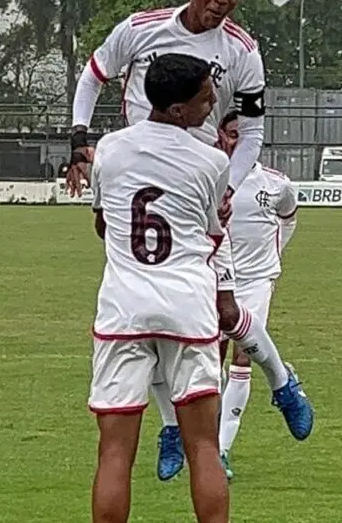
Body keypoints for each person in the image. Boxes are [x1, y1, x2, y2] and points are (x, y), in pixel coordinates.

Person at [67, 0, 314, 482]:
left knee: (222, 311)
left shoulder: (243, 52)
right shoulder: (141, 28)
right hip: (139, 176)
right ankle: (172, 426)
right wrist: (80, 140)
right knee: (151, 319)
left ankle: (281, 381)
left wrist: (229, 183)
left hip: (199, 184)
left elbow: (251, 132)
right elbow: (92, 75)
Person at [87, 53, 231, 523]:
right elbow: (210, 235)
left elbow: (104, 224)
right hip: (187, 309)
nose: (211, 105)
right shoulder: (212, 161)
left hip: (124, 309)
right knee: (204, 447)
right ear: (176, 109)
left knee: (114, 453)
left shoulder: (109, 147)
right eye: (205, 99)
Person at [215, 110, 298, 481]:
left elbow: (289, 217)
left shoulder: (276, 183)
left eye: (239, 135)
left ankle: (221, 450)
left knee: (242, 357)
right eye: (229, 134)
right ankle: (195, 439)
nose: (234, 141)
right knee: (205, 361)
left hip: (256, 281)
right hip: (214, 280)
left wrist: (273, 260)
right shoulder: (206, 177)